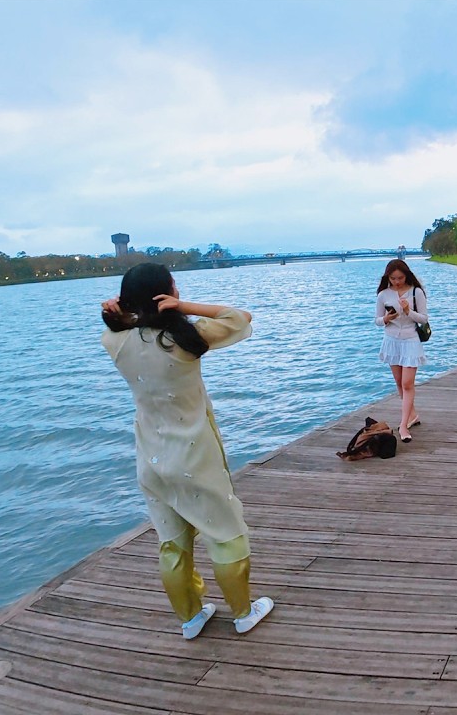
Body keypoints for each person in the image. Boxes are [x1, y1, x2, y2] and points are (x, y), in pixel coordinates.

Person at [100, 263, 273, 640]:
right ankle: (242, 613)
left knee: (172, 542)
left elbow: (118, 327)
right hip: (195, 456)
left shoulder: (115, 342)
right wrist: (184, 307)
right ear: (167, 294)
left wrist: (116, 313)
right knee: (226, 534)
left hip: (151, 459)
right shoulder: (185, 338)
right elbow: (240, 318)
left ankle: (191, 617)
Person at [376, 259, 428, 442]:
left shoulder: (416, 292)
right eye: (393, 278)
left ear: (406, 275)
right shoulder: (383, 294)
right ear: (388, 278)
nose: (397, 282)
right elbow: (377, 320)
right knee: (399, 382)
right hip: (391, 340)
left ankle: (404, 425)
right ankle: (413, 415)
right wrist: (386, 318)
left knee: (407, 384)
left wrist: (408, 311)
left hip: (411, 340)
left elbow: (423, 318)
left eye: (400, 278)